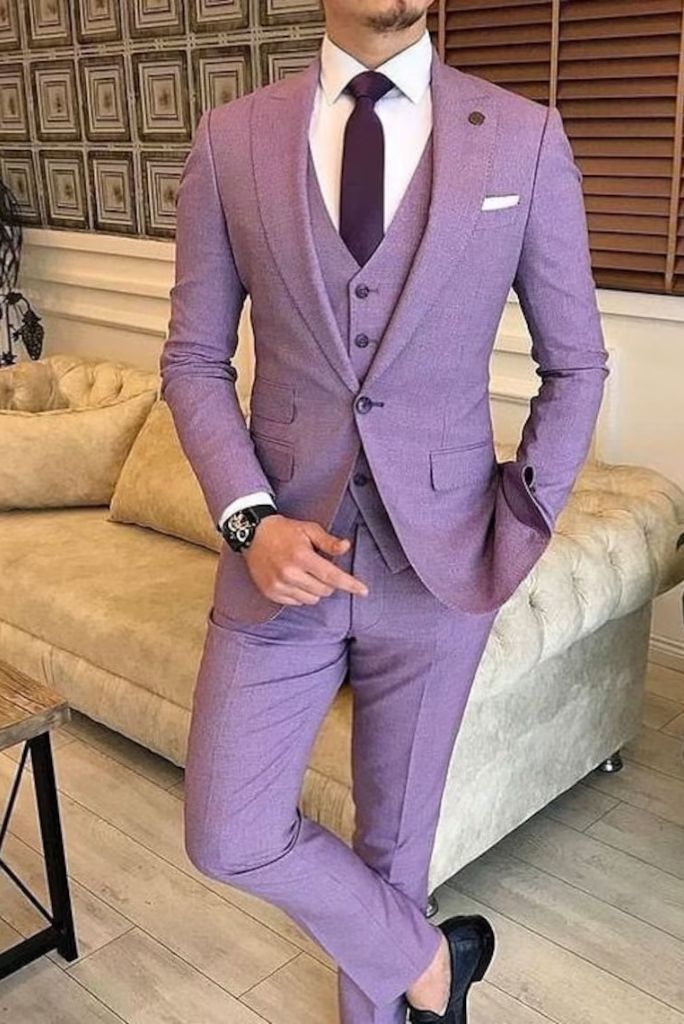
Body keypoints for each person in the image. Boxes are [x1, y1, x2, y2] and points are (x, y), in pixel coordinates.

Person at [159, 2, 609, 1021]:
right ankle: (433, 962)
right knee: (227, 830)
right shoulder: (233, 140)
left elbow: (576, 365)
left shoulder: (524, 136)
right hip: (280, 561)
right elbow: (192, 360)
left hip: (441, 565)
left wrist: (519, 525)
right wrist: (249, 521)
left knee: (396, 845)